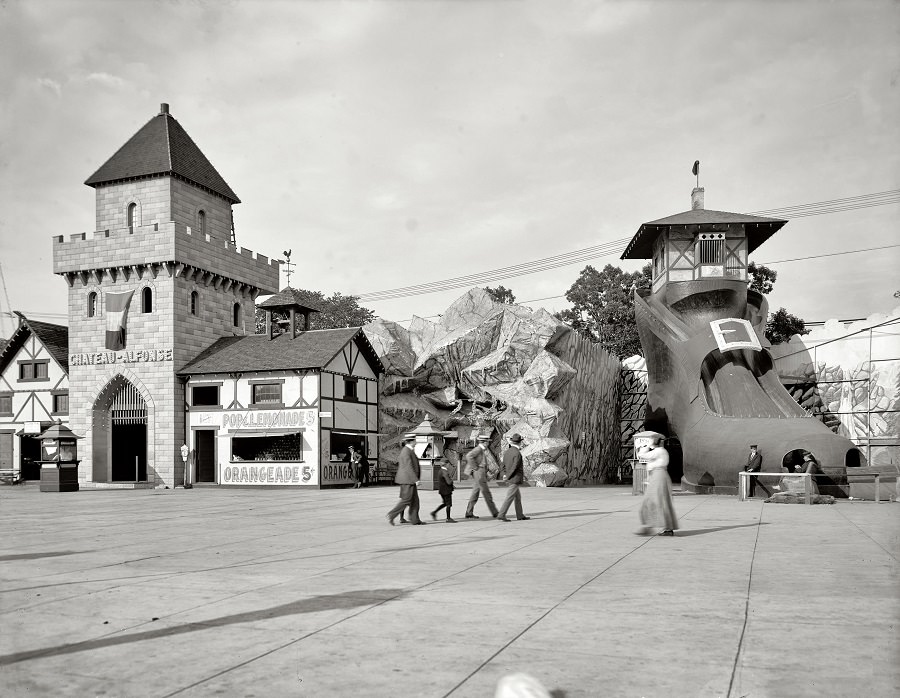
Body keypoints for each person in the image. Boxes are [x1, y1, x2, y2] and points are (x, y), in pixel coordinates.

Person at [636, 434, 678, 536]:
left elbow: (642, 455)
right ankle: (650, 526)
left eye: (651, 440)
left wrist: (644, 447)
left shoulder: (659, 451)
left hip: (659, 476)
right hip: (657, 476)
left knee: (658, 501)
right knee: (653, 500)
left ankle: (660, 527)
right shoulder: (659, 451)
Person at [387, 434, 423, 525]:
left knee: (415, 501)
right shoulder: (406, 451)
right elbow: (408, 467)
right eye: (415, 440)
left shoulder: (408, 450)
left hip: (408, 480)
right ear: (411, 441)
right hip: (408, 480)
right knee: (406, 500)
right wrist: (415, 479)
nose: (416, 442)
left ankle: (415, 520)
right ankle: (392, 514)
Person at [497, 433, 530, 521]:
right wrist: (508, 476)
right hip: (514, 478)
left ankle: (520, 515)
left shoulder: (508, 452)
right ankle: (502, 514)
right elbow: (514, 467)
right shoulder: (517, 453)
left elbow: (503, 465)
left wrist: (504, 475)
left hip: (510, 477)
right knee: (509, 497)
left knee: (517, 497)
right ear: (520, 443)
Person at [464, 434, 499, 519]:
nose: (488, 444)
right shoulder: (478, 449)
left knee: (475, 493)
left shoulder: (481, 449)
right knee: (486, 493)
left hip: (480, 472)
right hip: (479, 473)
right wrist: (476, 467)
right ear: (484, 442)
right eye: (487, 442)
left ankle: (469, 512)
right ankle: (495, 512)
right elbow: (469, 456)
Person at [430, 458, 457, 523]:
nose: (449, 465)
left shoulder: (440, 471)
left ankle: (434, 512)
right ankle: (448, 518)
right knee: (449, 504)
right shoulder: (445, 472)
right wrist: (451, 480)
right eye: (448, 464)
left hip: (442, 490)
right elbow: (448, 482)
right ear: (446, 464)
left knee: (445, 503)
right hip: (446, 491)